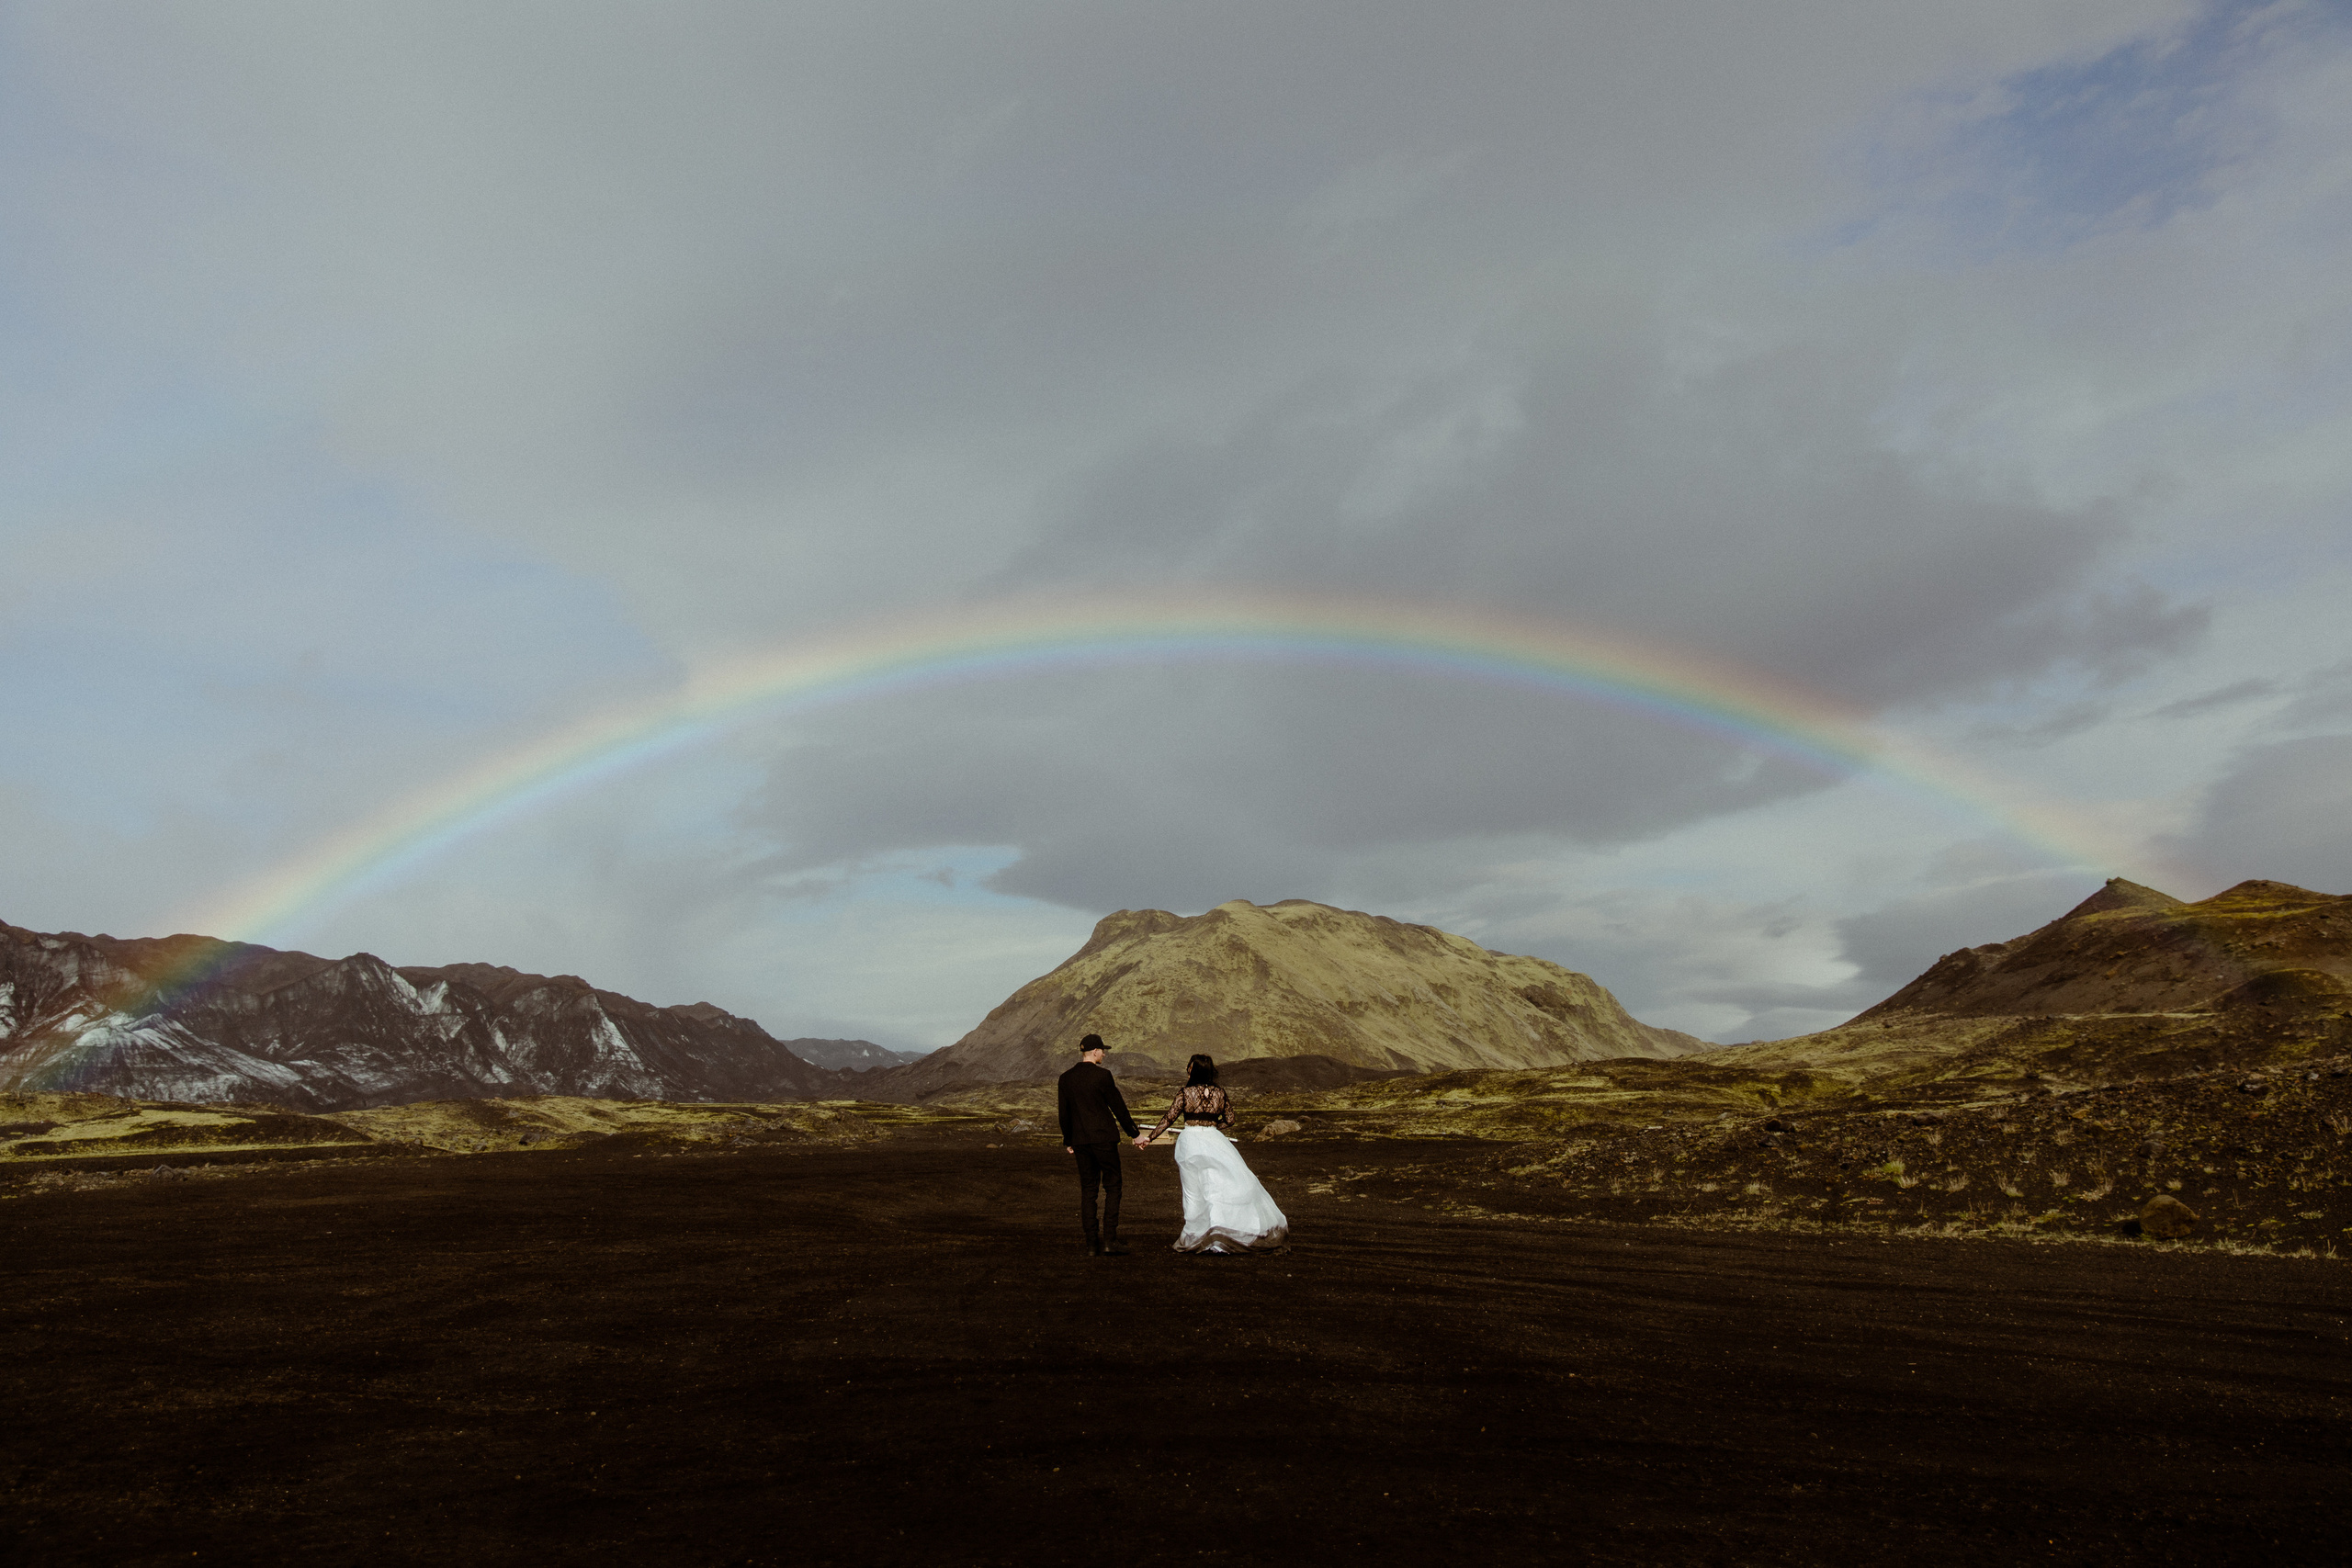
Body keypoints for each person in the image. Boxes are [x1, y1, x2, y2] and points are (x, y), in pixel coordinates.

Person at [1135, 1054, 1288, 1254]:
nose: (1187, 1070)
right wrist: (1212, 1127)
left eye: (1190, 1067)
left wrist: (1150, 1137)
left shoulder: (1186, 1093)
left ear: (1194, 1070)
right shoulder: (1219, 1093)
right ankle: (1221, 1234)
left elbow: (1169, 1118)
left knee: (1193, 1192)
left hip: (1190, 1143)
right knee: (1218, 1186)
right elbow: (1231, 1119)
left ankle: (1194, 1234)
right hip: (1215, 1141)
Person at [1057, 1032, 1139, 1257]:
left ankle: (1092, 1244)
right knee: (1113, 1186)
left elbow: (1064, 1113)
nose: (1105, 1054)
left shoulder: (1065, 1078)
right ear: (1095, 1052)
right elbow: (1118, 1107)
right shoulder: (1103, 1076)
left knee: (1088, 1189)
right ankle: (1110, 1240)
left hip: (1081, 1141)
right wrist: (1134, 1134)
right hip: (1103, 1138)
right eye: (1103, 1051)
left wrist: (1068, 1139)